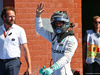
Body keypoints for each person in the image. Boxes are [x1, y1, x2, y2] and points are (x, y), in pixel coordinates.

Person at [35, 3, 78, 75]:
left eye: (60, 23)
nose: (58, 25)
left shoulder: (71, 40)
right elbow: (40, 29)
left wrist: (52, 68)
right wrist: (38, 16)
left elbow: (66, 57)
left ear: (65, 23)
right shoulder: (54, 37)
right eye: (56, 23)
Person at [0, 6, 31, 75]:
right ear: (4, 17)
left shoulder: (19, 30)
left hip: (13, 63)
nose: (12, 19)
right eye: (10, 16)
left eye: (13, 16)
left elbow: (25, 49)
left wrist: (29, 67)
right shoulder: (0, 30)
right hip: (1, 63)